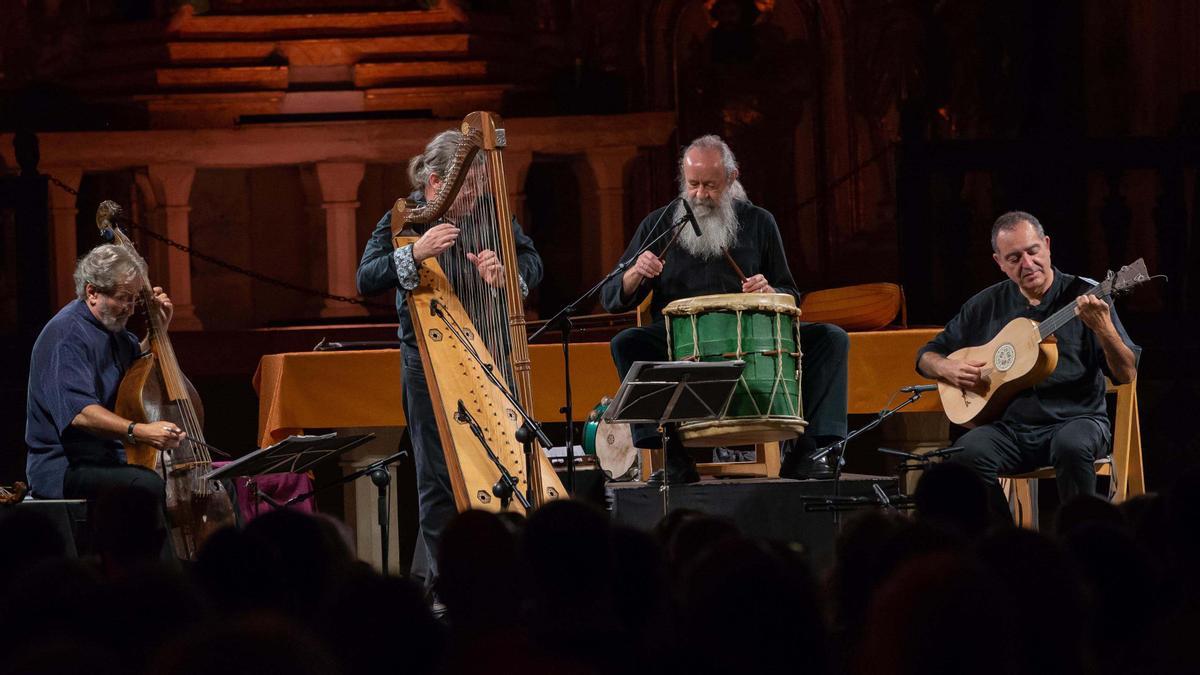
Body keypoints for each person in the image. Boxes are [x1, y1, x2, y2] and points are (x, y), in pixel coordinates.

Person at [600, 134, 849, 484]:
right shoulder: (659, 224)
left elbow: (791, 292)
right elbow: (612, 297)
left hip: (752, 341)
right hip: (680, 346)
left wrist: (769, 289)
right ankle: (672, 454)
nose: (700, 195)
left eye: (710, 186)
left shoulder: (760, 222)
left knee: (831, 339)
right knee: (626, 343)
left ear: (732, 179)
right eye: (693, 184)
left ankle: (810, 450)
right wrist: (634, 274)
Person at [357, 129, 543, 584]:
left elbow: (533, 262)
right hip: (427, 362)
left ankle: (509, 572)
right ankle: (448, 585)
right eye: (467, 189)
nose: (474, 198)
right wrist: (415, 254)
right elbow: (365, 279)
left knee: (508, 461)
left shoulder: (493, 214)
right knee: (436, 478)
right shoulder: (401, 220)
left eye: (478, 188)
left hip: (490, 353)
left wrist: (508, 274)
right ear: (436, 184)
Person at [916, 211, 1140, 518]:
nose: (1027, 263)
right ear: (999, 262)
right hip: (1012, 430)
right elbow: (927, 355)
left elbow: (1127, 373)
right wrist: (946, 368)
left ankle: (1081, 542)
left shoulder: (1085, 296)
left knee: (1070, 447)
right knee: (963, 455)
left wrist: (1104, 328)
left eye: (1033, 251)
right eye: (1014, 258)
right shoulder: (986, 305)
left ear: (1047, 245)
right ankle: (1002, 545)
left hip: (1077, 420)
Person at [25, 244, 185, 501]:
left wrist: (159, 329)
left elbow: (136, 374)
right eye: (124, 297)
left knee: (217, 481)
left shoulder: (115, 332)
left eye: (135, 299)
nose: (131, 309)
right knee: (146, 486)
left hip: (110, 459)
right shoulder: (66, 334)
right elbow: (81, 414)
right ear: (92, 292)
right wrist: (140, 431)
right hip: (66, 468)